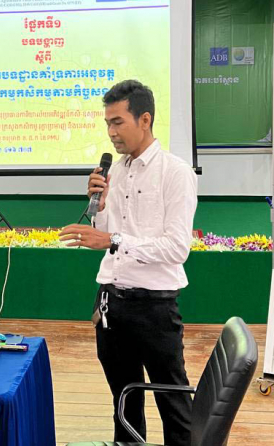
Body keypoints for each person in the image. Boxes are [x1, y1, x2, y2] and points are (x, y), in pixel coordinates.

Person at [60, 79, 198, 445]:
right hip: (111, 303)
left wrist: (113, 239)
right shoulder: (116, 171)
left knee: (174, 404)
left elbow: (176, 248)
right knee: (123, 403)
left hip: (155, 308)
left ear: (145, 119)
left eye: (118, 122)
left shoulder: (176, 172)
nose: (111, 132)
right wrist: (101, 208)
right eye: (108, 123)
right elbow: (109, 235)